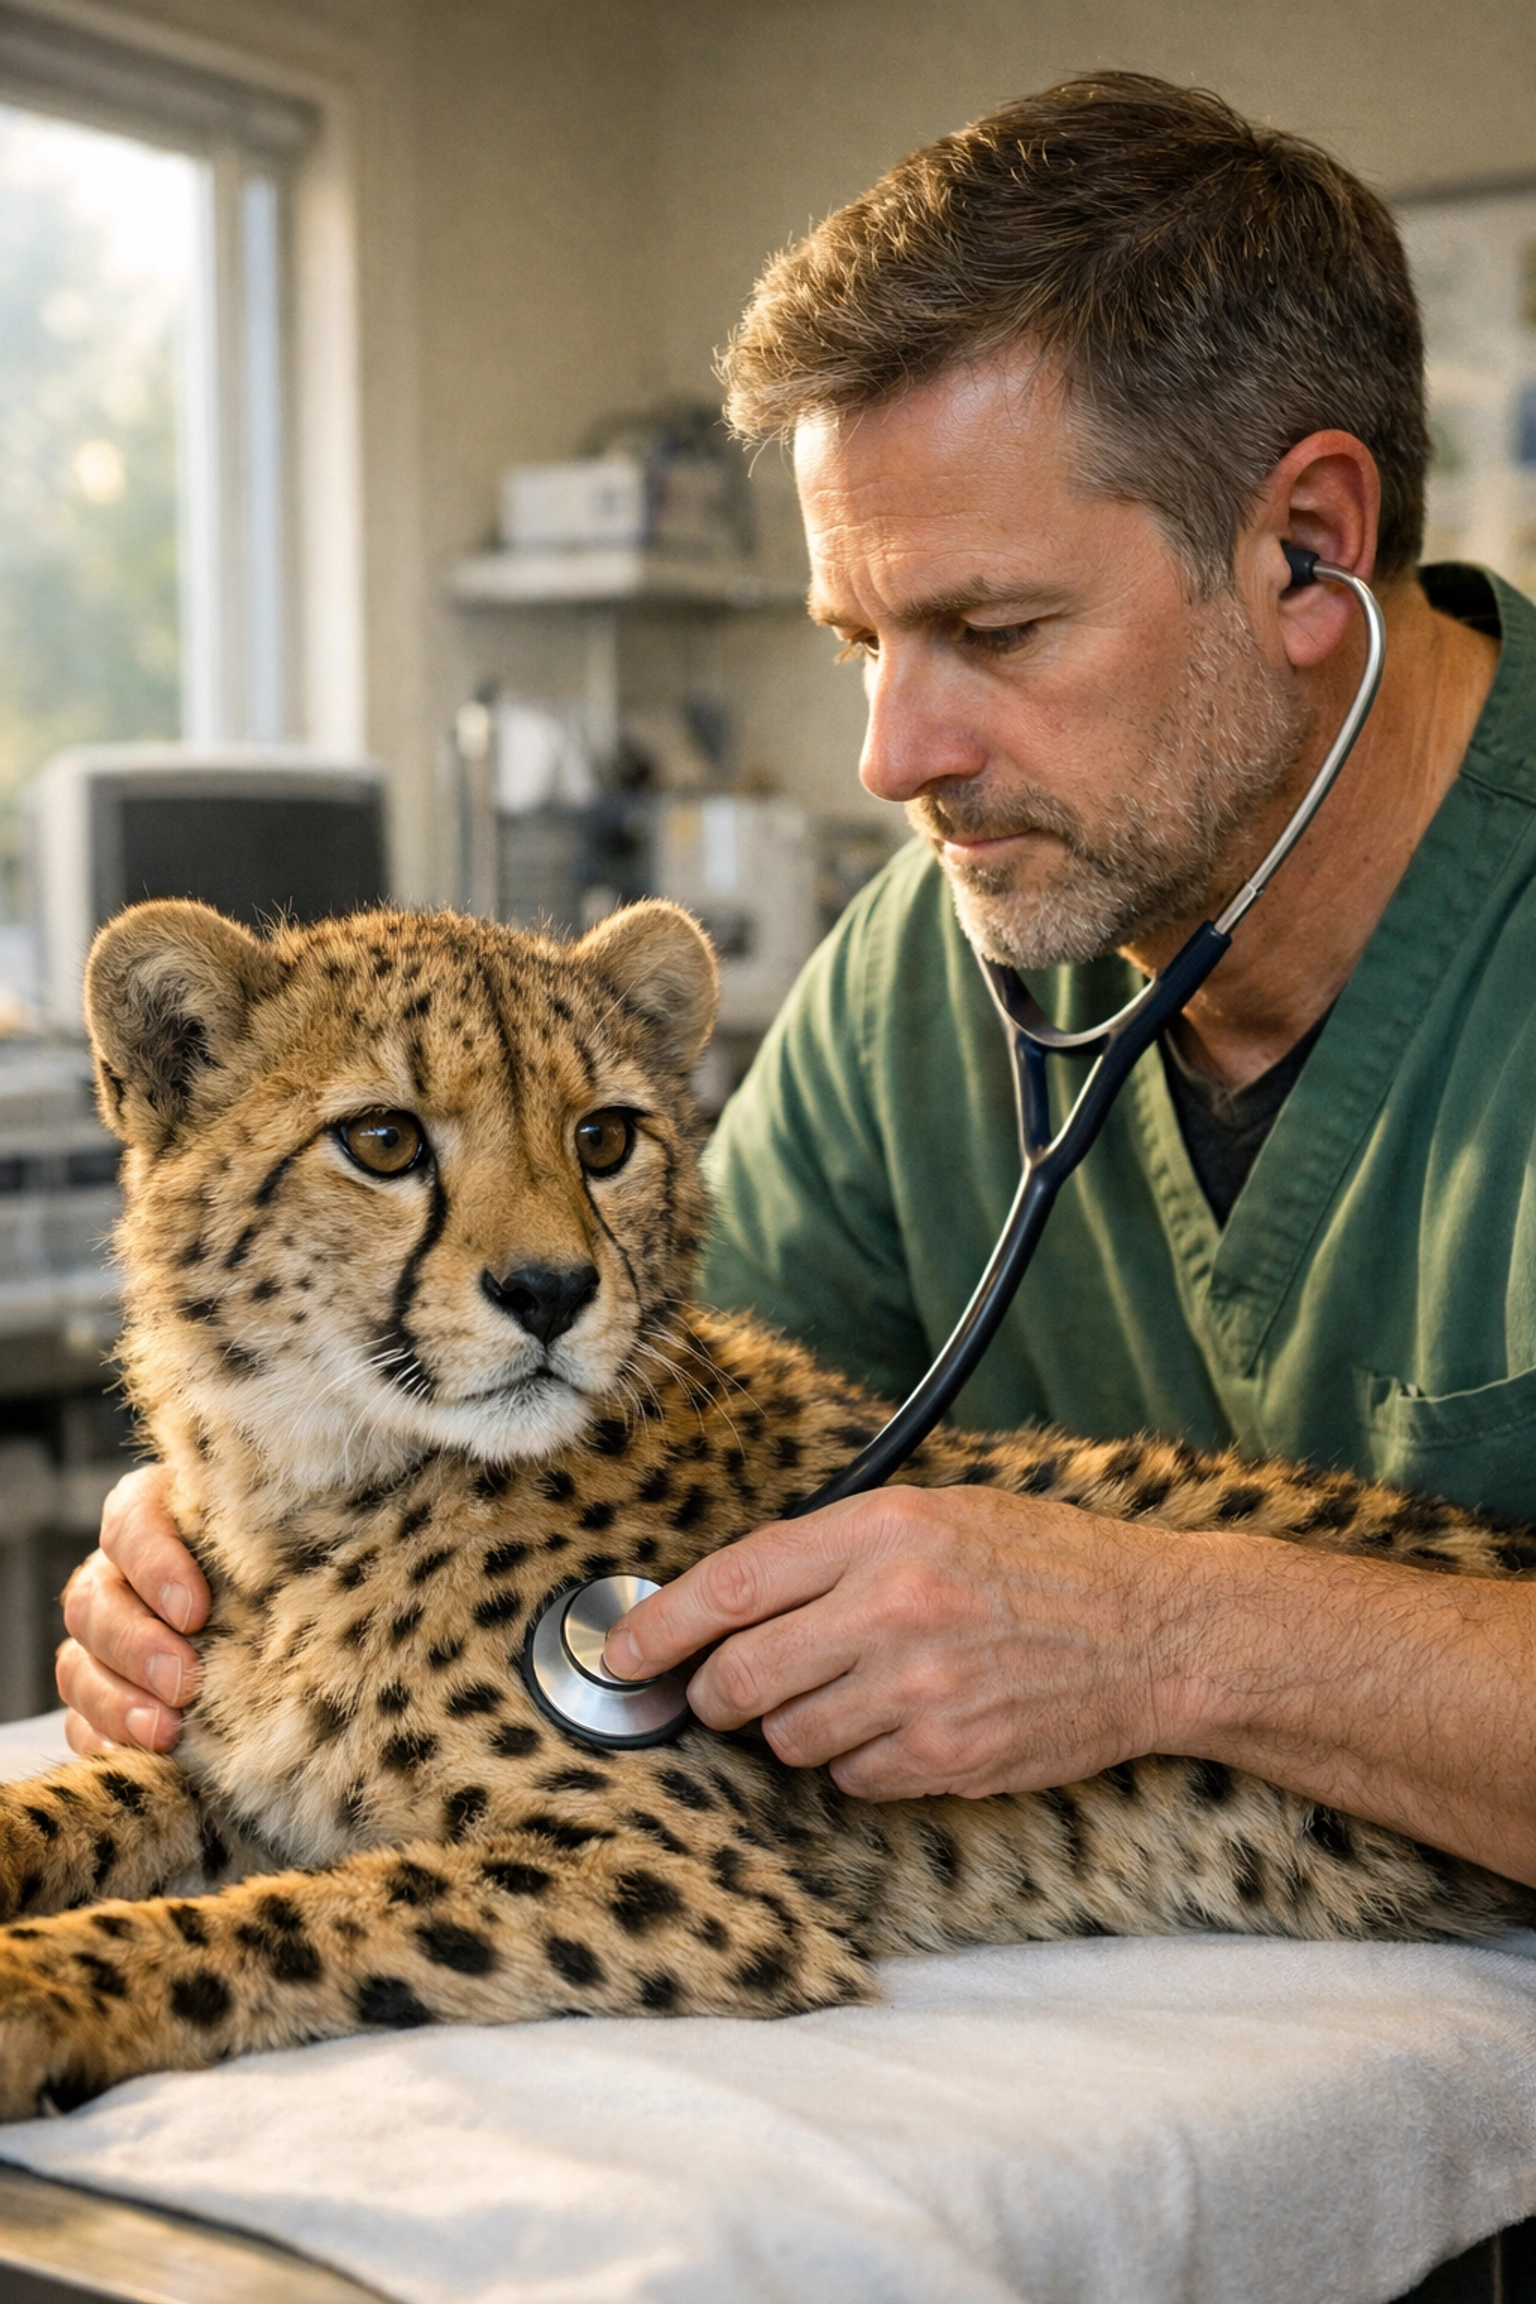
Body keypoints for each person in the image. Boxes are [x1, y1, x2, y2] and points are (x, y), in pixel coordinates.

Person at [58, 75, 1536, 1887]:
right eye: (858, 642)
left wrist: (1177, 1638)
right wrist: (271, 1504)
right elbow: (632, 1446)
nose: (891, 758)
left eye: (992, 631)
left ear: (1304, 547)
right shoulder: (934, 964)